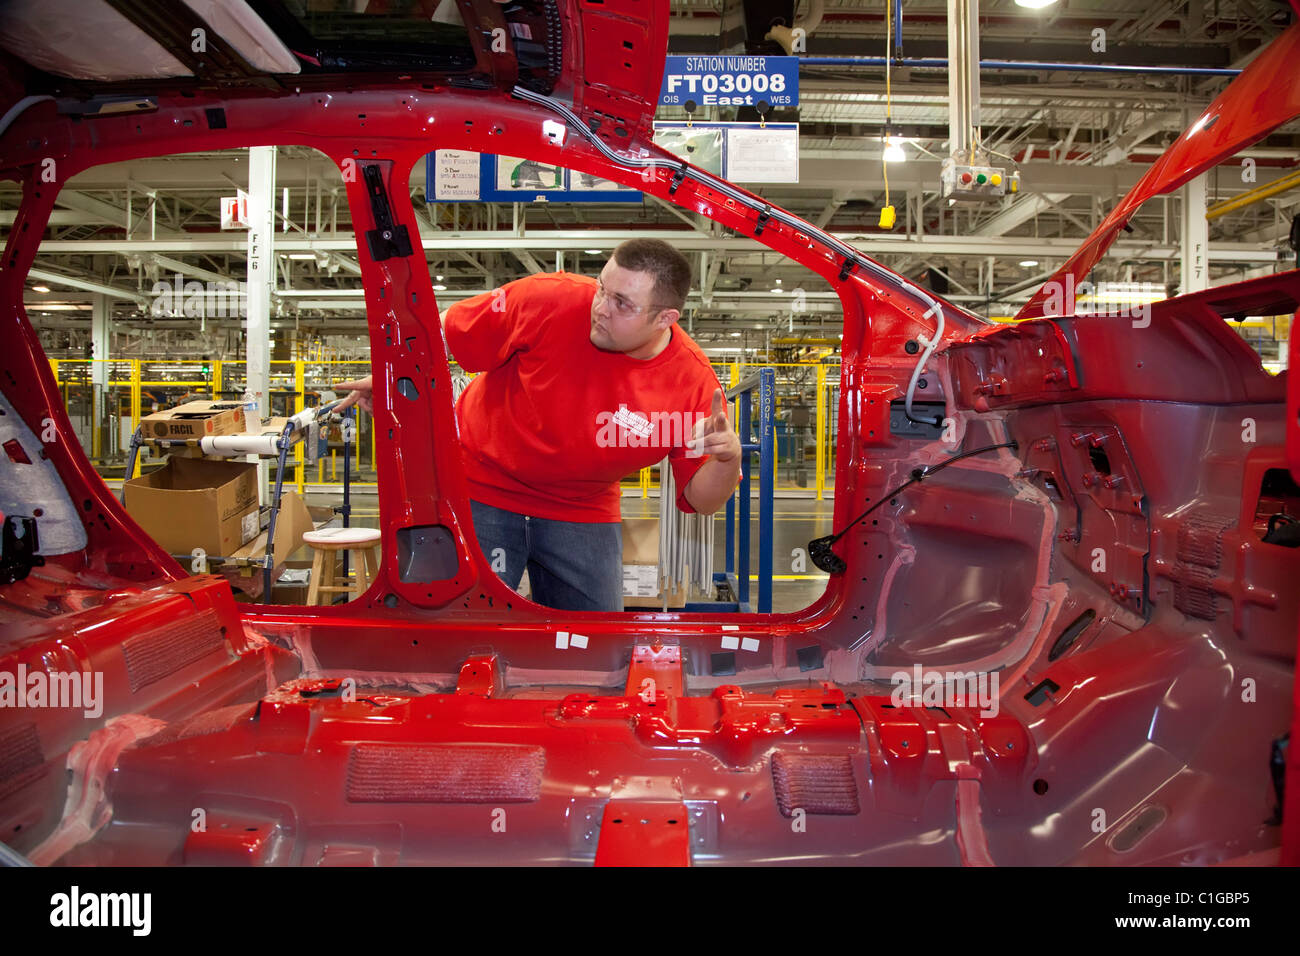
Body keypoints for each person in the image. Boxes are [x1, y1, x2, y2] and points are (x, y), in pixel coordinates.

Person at [337, 238, 741, 611]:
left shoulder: (692, 386)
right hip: (481, 489)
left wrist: (727, 462)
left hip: (582, 510)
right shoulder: (548, 299)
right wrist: (393, 378)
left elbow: (702, 500)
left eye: (622, 303)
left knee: (592, 647)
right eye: (602, 288)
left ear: (665, 318)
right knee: (450, 628)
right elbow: (443, 331)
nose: (600, 307)